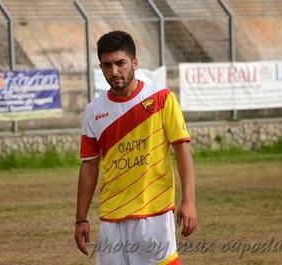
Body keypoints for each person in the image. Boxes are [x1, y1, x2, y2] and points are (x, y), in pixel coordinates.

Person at [74, 30, 197, 265]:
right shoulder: (93, 111)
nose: (114, 71)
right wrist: (81, 219)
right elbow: (89, 166)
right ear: (101, 67)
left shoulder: (162, 98)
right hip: (111, 218)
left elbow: (182, 151)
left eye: (120, 63)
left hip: (155, 214)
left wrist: (188, 201)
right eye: (107, 65)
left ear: (135, 62)